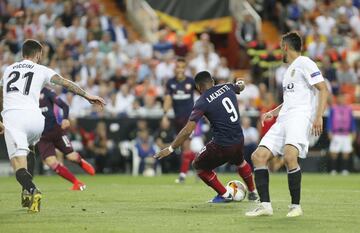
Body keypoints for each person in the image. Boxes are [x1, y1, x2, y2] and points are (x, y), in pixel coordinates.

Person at [0, 39, 105, 213]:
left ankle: (32, 190)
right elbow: (65, 83)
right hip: (36, 119)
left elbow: (1, 95)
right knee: (31, 149)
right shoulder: (42, 69)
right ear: (39, 54)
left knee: (18, 165)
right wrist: (87, 95)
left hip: (15, 118)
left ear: (22, 54)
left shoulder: (9, 70)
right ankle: (27, 190)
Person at [245, 32, 328, 217]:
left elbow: (323, 88)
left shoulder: (305, 63)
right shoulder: (288, 72)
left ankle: (295, 206)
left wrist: (319, 116)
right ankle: (265, 206)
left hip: (300, 116)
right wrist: (273, 113)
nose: (279, 50)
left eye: (281, 46)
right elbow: (291, 99)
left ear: (285, 46)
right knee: (258, 156)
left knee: (290, 155)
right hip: (283, 118)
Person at [154, 71, 258, 203]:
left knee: (198, 166)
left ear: (198, 87)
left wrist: (170, 148)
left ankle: (225, 195)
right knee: (240, 162)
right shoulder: (226, 87)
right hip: (238, 138)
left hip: (222, 144)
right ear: (212, 81)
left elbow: (187, 130)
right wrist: (240, 82)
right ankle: (253, 192)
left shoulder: (202, 101)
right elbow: (240, 87)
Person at [37, 87, 95, 192]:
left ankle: (81, 162)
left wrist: (65, 118)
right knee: (51, 162)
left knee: (71, 156)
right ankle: (76, 183)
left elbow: (64, 105)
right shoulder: (26, 96)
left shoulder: (47, 92)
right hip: (41, 136)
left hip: (56, 131)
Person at [163, 57, 196, 183]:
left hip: (190, 119)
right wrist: (165, 115)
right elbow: (167, 99)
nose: (180, 70)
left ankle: (182, 175)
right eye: (178, 67)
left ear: (185, 68)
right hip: (177, 119)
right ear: (175, 68)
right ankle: (201, 163)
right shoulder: (170, 83)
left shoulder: (191, 82)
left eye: (182, 67)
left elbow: (204, 95)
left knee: (186, 146)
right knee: (182, 148)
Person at [327, 93, 356, 175]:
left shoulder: (349, 109)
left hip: (346, 134)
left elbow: (352, 122)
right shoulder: (333, 109)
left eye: (343, 98)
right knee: (334, 152)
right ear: (337, 99)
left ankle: (345, 170)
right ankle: (333, 170)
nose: (342, 100)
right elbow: (329, 121)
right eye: (340, 98)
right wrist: (329, 131)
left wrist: (353, 132)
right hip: (336, 133)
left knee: (346, 153)